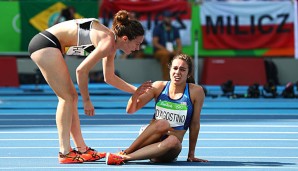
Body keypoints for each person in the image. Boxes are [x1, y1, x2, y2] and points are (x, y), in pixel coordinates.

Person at [28, 10, 145, 164]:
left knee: (71, 98)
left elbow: (109, 77)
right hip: (45, 44)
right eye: (137, 43)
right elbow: (81, 70)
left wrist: (136, 90)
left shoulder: (111, 45)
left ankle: (82, 149)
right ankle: (64, 152)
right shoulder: (107, 42)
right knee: (67, 98)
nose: (137, 48)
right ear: (125, 38)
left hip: (49, 44)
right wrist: (87, 101)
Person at [105, 54, 208, 165]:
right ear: (170, 69)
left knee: (173, 140)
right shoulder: (158, 86)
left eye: (182, 69)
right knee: (163, 123)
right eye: (175, 68)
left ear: (189, 73)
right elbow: (130, 110)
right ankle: (126, 152)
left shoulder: (196, 92)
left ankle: (125, 157)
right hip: (151, 138)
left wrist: (191, 154)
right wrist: (135, 95)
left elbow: (195, 124)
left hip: (170, 147)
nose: (177, 72)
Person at [152, 11, 182, 81]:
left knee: (184, 57)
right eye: (167, 18)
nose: (169, 19)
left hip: (171, 50)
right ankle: (166, 79)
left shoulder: (174, 29)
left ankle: (185, 80)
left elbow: (179, 44)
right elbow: (155, 43)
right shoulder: (158, 28)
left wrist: (178, 51)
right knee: (166, 55)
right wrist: (167, 50)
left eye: (170, 18)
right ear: (163, 18)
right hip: (160, 51)